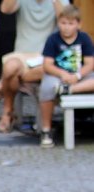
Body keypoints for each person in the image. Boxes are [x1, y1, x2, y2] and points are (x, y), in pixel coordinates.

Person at [0, 0, 69, 133]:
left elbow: (65, 20)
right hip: (22, 56)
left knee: (42, 70)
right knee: (10, 67)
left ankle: (2, 83)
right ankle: (8, 112)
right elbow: (5, 9)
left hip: (46, 57)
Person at [37, 5, 94, 148]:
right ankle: (46, 130)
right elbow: (47, 64)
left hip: (79, 76)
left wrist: (78, 75)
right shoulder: (53, 39)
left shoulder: (84, 38)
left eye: (70, 24)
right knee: (46, 88)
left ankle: (69, 89)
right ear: (58, 23)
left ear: (78, 24)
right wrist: (62, 74)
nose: (66, 27)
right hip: (57, 75)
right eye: (63, 23)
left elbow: (90, 63)